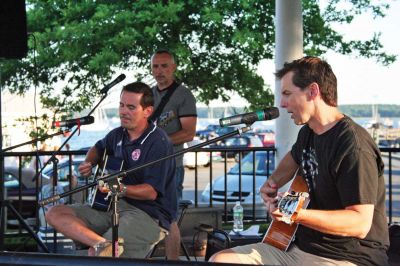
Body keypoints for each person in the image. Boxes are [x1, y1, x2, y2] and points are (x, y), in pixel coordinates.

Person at [209, 56, 389, 265]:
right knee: (221, 259)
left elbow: (359, 223)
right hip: (297, 246)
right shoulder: (308, 133)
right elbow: (293, 158)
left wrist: (296, 214)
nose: (282, 104)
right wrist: (271, 183)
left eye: (287, 94)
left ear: (313, 91)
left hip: (348, 257)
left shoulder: (353, 145)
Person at [45, 81, 177, 258]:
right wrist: (89, 163)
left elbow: (151, 192)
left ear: (147, 111)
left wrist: (118, 188)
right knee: (55, 212)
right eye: (121, 105)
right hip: (110, 206)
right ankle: (101, 243)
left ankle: (102, 249)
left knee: (99, 256)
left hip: (148, 214)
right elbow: (98, 148)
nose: (123, 111)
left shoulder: (158, 142)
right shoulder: (117, 134)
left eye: (131, 107)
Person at [150, 49, 197, 260]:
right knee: (141, 215)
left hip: (171, 166)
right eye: (155, 66)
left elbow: (189, 132)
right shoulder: (148, 94)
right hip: (146, 165)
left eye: (164, 66)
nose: (159, 71)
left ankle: (173, 262)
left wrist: (156, 143)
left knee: (169, 218)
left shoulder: (184, 95)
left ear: (174, 68)